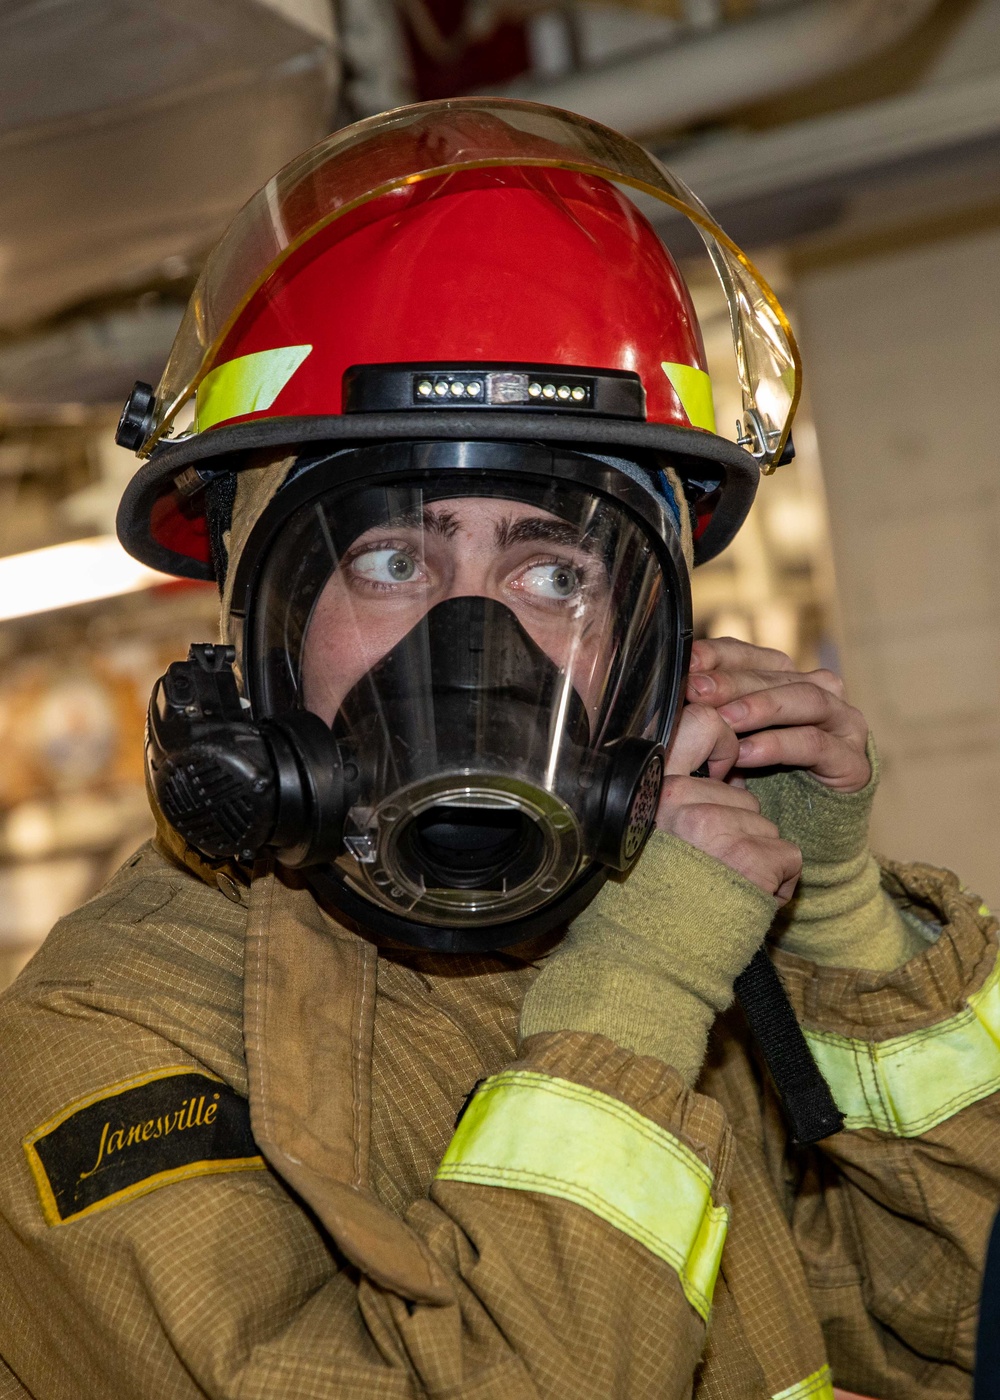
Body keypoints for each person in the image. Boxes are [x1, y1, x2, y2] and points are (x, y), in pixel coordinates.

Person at [0, 98, 998, 1400]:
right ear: (255, 620)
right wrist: (633, 1002)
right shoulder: (111, 1049)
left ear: (647, 640)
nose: (476, 649)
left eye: (556, 567)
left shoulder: (666, 935)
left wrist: (848, 939)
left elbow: (955, 1329)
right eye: (394, 557)